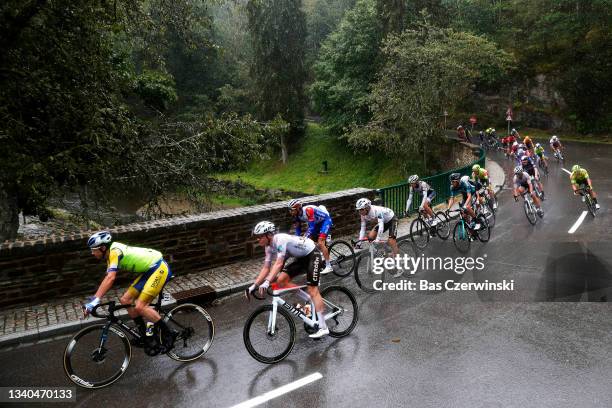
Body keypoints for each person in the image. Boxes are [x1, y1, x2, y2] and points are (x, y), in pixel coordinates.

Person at [84, 231, 176, 352]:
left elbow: (111, 278)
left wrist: (95, 301)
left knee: (140, 306)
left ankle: (169, 334)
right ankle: (146, 336)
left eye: (94, 249)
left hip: (158, 268)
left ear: (102, 248)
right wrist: (93, 299)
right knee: (125, 300)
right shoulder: (110, 255)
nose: (92, 253)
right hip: (149, 271)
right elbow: (107, 279)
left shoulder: (114, 252)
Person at [247, 221, 329, 338]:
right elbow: (266, 268)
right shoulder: (268, 247)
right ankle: (309, 300)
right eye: (256, 237)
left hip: (312, 255)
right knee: (281, 281)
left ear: (269, 235)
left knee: (312, 290)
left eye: (259, 237)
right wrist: (253, 286)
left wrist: (266, 282)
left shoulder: (280, 239)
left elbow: (279, 263)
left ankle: (323, 327)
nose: (257, 240)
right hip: (301, 258)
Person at [288, 199, 334, 274]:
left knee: (320, 242)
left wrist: (304, 237)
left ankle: (329, 266)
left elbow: (311, 227)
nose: (290, 212)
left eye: (292, 210)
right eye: (290, 210)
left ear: (298, 208)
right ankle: (320, 253)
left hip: (325, 221)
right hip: (316, 223)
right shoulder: (296, 216)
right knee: (310, 241)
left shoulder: (308, 210)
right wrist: (296, 239)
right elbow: (298, 230)